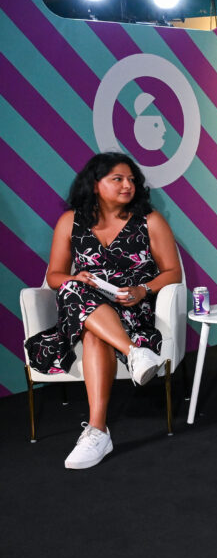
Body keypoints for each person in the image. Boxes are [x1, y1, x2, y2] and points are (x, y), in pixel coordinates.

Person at [25, 152, 182, 469]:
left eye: (131, 179)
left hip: (130, 310)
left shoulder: (149, 220)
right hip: (84, 306)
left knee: (93, 333)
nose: (128, 185)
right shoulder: (70, 222)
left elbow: (172, 272)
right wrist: (76, 278)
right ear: (95, 184)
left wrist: (143, 290)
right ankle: (134, 353)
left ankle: (98, 431)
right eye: (118, 179)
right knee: (72, 290)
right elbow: (54, 276)